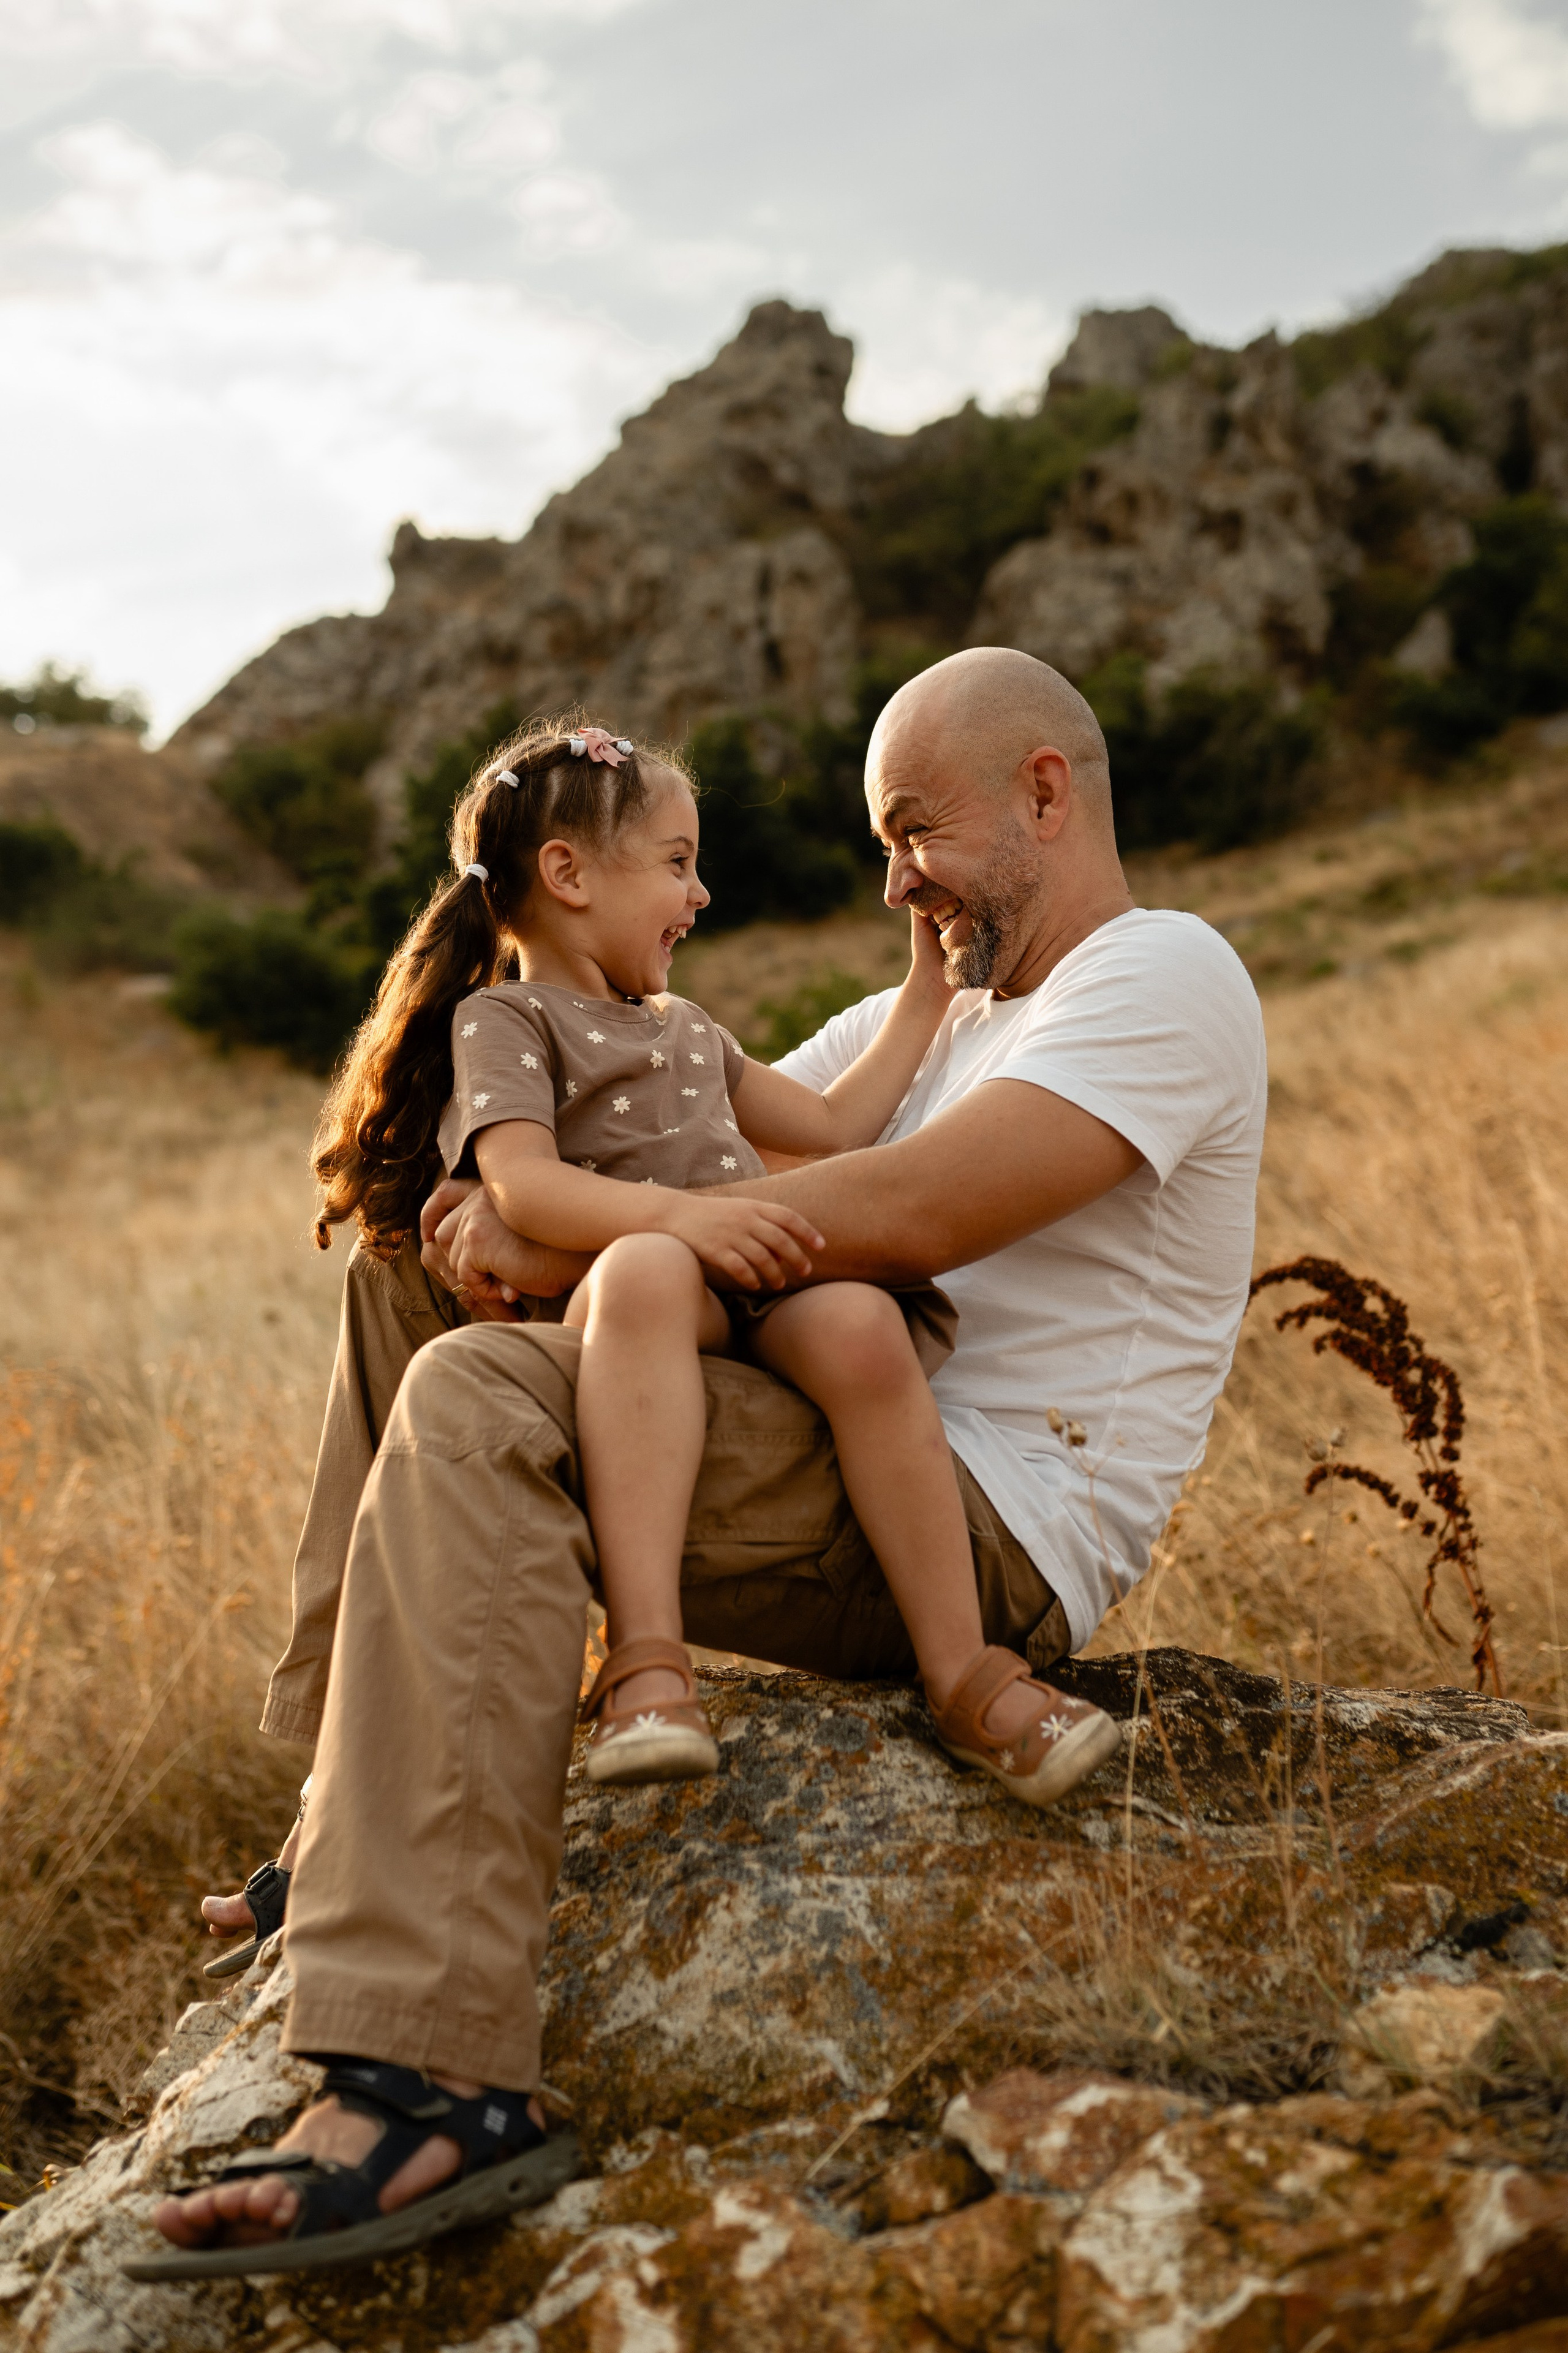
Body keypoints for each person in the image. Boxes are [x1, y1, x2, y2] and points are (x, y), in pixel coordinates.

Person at [148, 646, 1266, 2273]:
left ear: (1044, 791)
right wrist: (498, 1207)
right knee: (402, 1271)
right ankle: (341, 1805)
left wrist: (588, 1228)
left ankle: (433, 2078)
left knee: (479, 1404)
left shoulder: (1161, 977)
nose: (894, 878)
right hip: (811, 1436)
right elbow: (667, 1150)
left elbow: (914, 1211)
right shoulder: (922, 1019)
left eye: (912, 830)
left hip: (973, 1514)